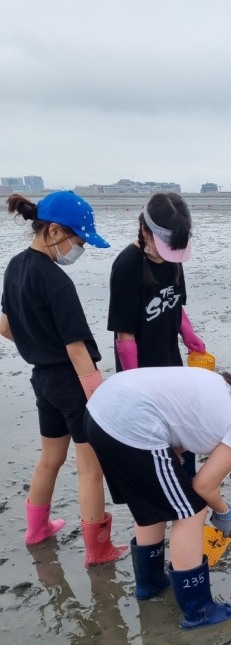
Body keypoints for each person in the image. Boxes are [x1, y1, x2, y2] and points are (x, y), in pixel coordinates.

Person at [84, 366, 231, 629]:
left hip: (102, 411)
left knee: (154, 503)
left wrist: (175, 453)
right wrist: (224, 513)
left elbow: (181, 417)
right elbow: (204, 485)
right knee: (191, 511)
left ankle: (150, 583)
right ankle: (198, 610)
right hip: (131, 423)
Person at [0, 191, 127, 567]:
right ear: (54, 230)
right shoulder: (56, 282)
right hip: (72, 384)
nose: (80, 248)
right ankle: (98, 549)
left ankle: (37, 529)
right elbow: (76, 349)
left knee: (49, 459)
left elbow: (5, 325)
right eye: (79, 240)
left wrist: (36, 341)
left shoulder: (14, 267)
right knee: (90, 467)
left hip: (42, 380)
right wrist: (98, 396)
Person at [108, 192, 206, 476]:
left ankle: (187, 490)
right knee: (155, 444)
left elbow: (176, 302)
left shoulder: (174, 257)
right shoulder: (127, 266)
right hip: (142, 370)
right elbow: (124, 336)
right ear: (144, 231)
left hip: (171, 364)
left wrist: (189, 334)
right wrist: (137, 386)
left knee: (182, 434)